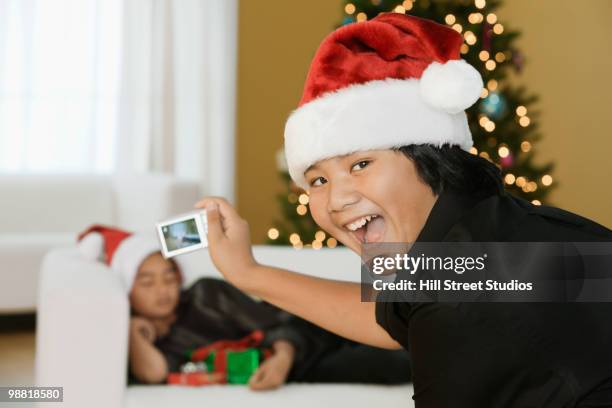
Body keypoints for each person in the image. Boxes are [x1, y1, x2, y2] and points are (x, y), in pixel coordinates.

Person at [194, 12, 612, 407]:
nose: (336, 200)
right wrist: (248, 272)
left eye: (361, 164)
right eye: (318, 180)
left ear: (428, 158)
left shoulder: (461, 310)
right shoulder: (483, 238)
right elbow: (394, 315)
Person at [76, 224, 412, 390]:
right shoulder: (151, 340)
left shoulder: (206, 295)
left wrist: (282, 358)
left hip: (311, 337)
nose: (163, 290)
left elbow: (280, 319)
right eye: (147, 283)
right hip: (309, 367)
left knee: (406, 340)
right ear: (127, 290)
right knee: (396, 364)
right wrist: (135, 333)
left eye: (168, 277)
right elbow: (154, 373)